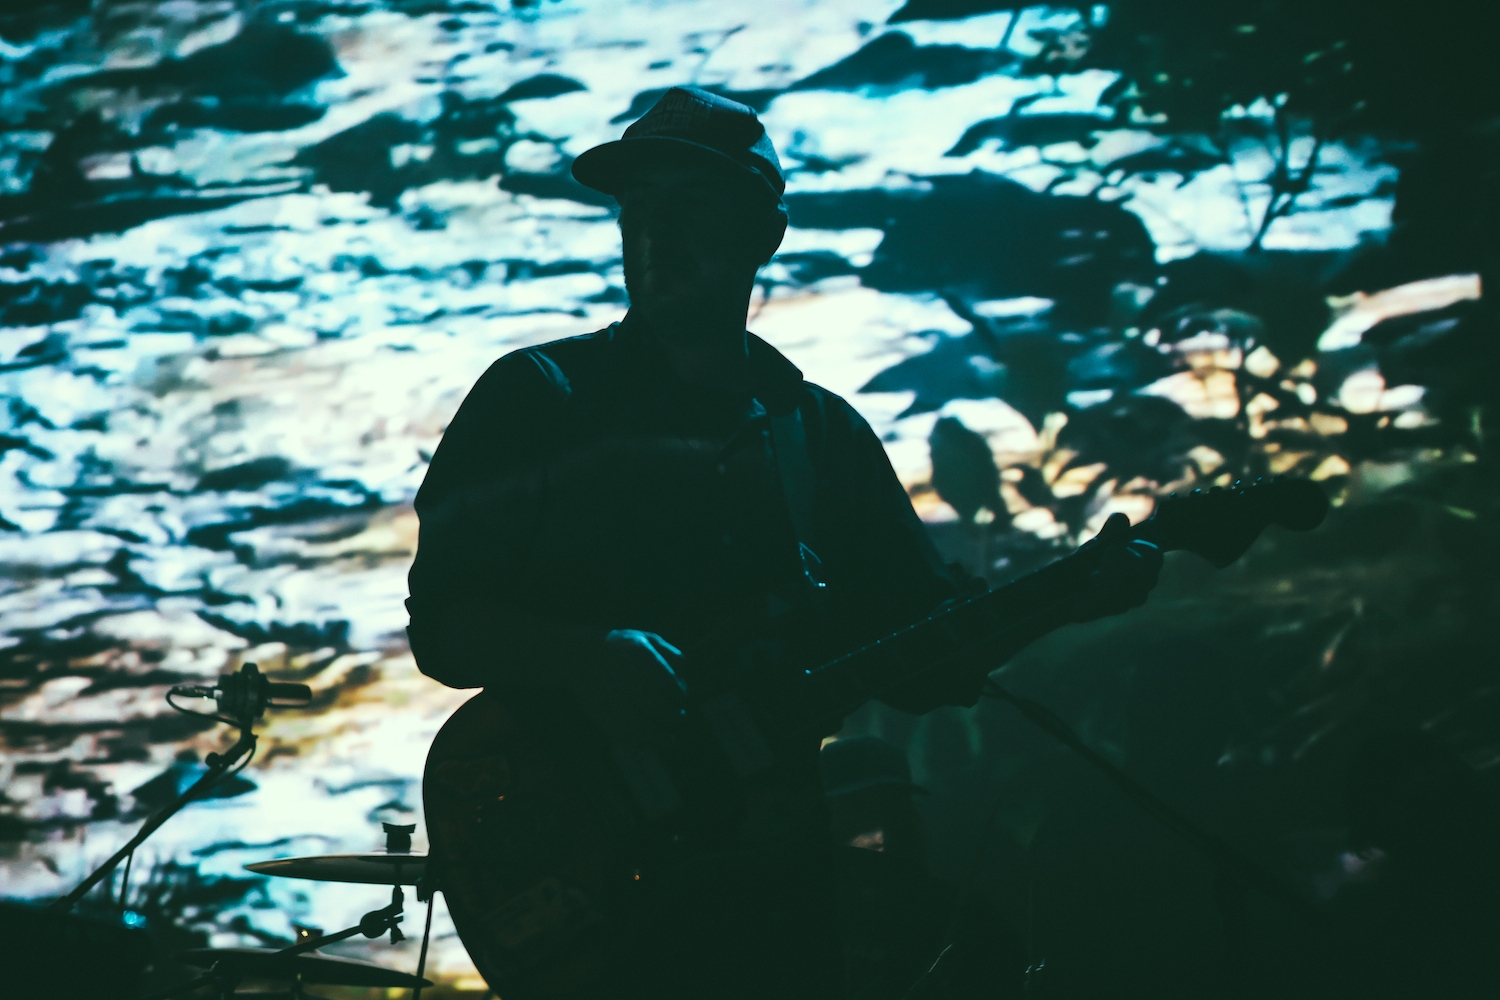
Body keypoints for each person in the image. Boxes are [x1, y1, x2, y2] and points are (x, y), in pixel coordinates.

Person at [406, 86, 1161, 1000]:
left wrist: (1071, 597)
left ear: (764, 232)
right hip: (592, 870)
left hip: (777, 888)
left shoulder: (823, 438)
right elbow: (442, 625)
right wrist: (584, 658)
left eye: (688, 208)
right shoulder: (539, 396)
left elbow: (922, 659)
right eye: (637, 210)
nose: (653, 234)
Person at [822, 735, 1026, 999]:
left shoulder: (966, 917)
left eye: (895, 807)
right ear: (821, 814)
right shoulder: (794, 911)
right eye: (861, 806)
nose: (882, 831)